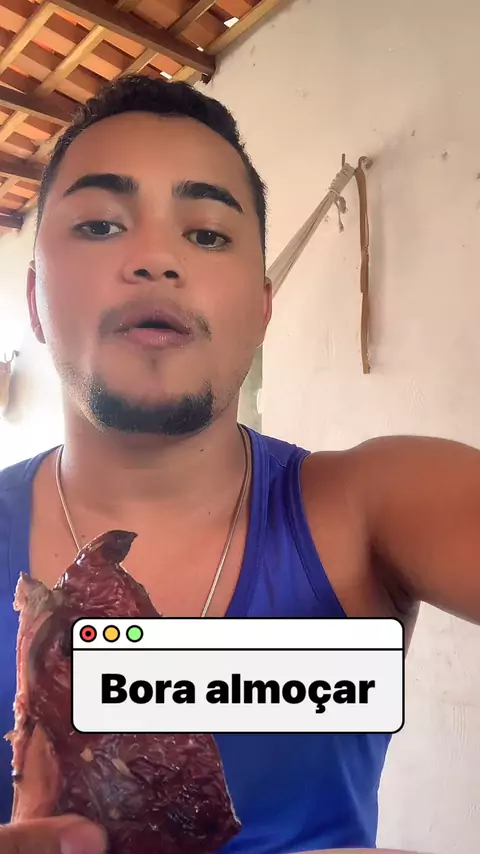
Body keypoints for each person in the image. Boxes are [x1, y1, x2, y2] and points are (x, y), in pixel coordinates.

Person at [0, 73, 478, 854]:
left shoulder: (371, 506)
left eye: (208, 234)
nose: (156, 257)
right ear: (34, 302)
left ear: (261, 308)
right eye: (100, 225)